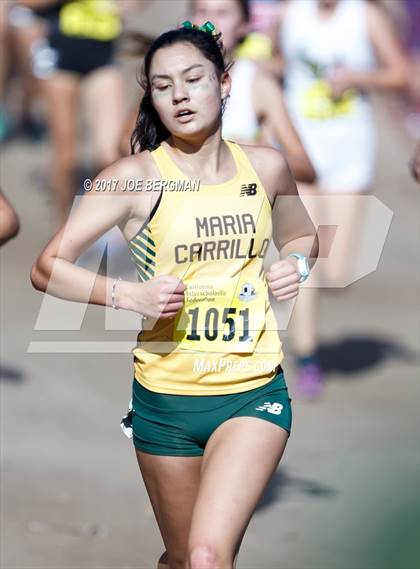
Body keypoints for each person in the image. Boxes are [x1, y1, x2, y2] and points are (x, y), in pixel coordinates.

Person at [31, 23, 318, 569]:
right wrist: (127, 296)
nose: (180, 95)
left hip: (252, 391)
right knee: (184, 558)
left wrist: (296, 264)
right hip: (165, 402)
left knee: (209, 557)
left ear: (225, 82)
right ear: (152, 98)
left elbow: (303, 233)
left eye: (193, 79)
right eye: (163, 86)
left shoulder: (266, 166)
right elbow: (47, 267)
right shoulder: (134, 178)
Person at [277, 0, 408, 398]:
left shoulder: (364, 15)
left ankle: (309, 341)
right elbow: (275, 65)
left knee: (338, 272)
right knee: (306, 255)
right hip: (302, 148)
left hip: (350, 148)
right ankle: (308, 356)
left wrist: (358, 77)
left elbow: (401, 73)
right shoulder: (290, 13)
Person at [120, 0, 315, 184]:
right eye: (202, 11)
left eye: (223, 13)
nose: (210, 21)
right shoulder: (167, 75)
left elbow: (305, 169)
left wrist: (250, 154)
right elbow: (126, 144)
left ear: (244, 26)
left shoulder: (257, 83)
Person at [27, 0, 126, 224]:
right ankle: (63, 227)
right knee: (67, 155)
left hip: (103, 55)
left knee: (110, 153)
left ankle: (98, 220)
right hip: (60, 57)